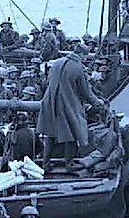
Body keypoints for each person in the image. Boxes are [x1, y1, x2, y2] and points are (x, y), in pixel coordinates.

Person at [37, 42, 105, 171]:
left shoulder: (57, 63)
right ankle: (69, 164)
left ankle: (45, 163)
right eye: (85, 56)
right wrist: (97, 102)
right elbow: (86, 93)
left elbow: (47, 82)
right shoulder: (78, 68)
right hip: (67, 104)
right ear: (82, 55)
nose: (85, 59)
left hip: (49, 102)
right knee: (74, 131)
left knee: (50, 133)